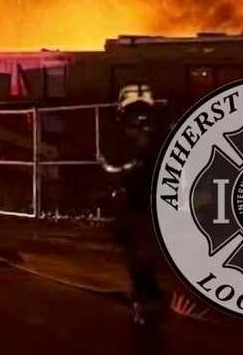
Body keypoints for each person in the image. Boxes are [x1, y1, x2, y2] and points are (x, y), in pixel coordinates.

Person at [101, 84, 164, 332]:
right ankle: (145, 299)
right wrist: (129, 166)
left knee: (144, 255)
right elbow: (107, 163)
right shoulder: (115, 133)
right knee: (137, 255)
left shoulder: (159, 132)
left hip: (150, 200)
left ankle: (148, 298)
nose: (141, 121)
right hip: (130, 201)